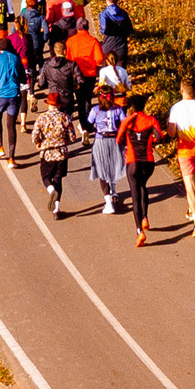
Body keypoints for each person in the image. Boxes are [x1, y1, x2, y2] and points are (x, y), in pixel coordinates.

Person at [117, 96, 169, 246]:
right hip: (148, 162)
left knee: (135, 194)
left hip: (132, 162)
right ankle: (145, 217)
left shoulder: (127, 121)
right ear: (144, 105)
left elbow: (119, 140)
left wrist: (129, 140)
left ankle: (139, 231)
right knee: (142, 186)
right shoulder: (151, 120)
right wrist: (149, 141)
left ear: (132, 107)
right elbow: (160, 137)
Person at [165, 86, 195, 236]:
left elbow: (172, 133)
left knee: (190, 187)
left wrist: (168, 124)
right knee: (192, 182)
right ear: (194, 91)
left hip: (185, 151)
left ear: (181, 90)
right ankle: (191, 210)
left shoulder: (176, 108)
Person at [30, 90, 76, 218]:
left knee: (45, 177)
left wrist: (39, 142)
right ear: (59, 105)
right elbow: (72, 137)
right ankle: (56, 209)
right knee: (58, 179)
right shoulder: (65, 117)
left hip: (47, 152)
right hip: (61, 152)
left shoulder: (42, 118)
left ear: (48, 105)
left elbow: (35, 136)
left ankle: (51, 190)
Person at [87, 85, 128, 217]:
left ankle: (108, 201)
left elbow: (88, 124)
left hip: (100, 141)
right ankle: (114, 191)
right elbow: (124, 123)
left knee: (102, 171)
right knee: (113, 167)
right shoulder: (118, 109)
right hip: (114, 140)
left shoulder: (95, 110)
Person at [0, 36, 23, 162]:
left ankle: (0, 147)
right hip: (14, 95)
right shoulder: (16, 59)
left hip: (0, 96)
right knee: (11, 125)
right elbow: (23, 79)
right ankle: (12, 158)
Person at [63, 25, 104, 124]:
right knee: (88, 98)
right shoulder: (93, 41)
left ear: (77, 28)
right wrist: (94, 64)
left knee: (80, 99)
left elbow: (67, 58)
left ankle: (83, 124)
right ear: (87, 28)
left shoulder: (71, 41)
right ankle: (88, 120)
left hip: (76, 75)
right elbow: (99, 58)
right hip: (90, 74)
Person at [98, 0, 133, 72]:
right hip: (121, 47)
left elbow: (103, 31)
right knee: (121, 73)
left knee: (107, 73)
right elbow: (130, 29)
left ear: (107, 0)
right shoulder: (124, 13)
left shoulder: (104, 14)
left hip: (108, 48)